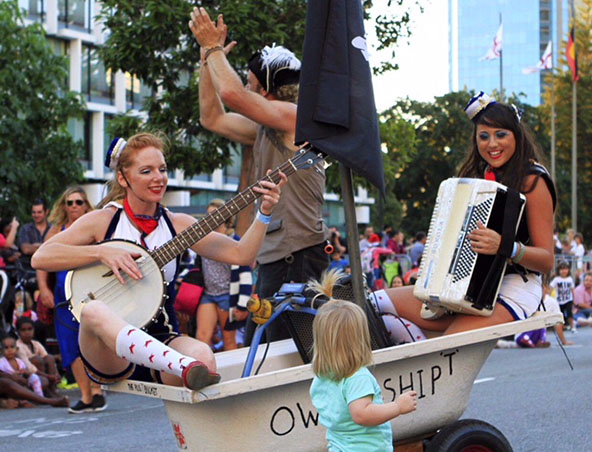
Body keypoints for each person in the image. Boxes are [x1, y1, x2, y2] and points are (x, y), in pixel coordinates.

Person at [32, 133, 283, 395]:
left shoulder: (177, 224)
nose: (158, 177)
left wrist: (264, 212)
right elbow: (41, 257)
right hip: (110, 352)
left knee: (205, 358)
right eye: (146, 171)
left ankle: (185, 370)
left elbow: (241, 254)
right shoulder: (104, 220)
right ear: (123, 178)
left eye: (162, 169)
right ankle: (182, 367)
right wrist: (101, 253)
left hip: (162, 337)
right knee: (93, 310)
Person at [189, 8, 329, 343]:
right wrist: (207, 63)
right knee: (267, 354)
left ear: (267, 89)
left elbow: (232, 96)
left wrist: (213, 49)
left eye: (252, 84)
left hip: (297, 258)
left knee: (279, 357)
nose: (246, 89)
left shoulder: (296, 119)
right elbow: (212, 118)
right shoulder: (266, 127)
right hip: (277, 259)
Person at [376, 92, 555, 335]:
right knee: (375, 304)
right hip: (465, 284)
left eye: (500, 134)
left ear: (517, 136)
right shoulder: (474, 178)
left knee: (446, 343)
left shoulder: (533, 180)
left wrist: (506, 247)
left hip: (515, 286)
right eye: (484, 136)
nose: (492, 144)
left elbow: (546, 260)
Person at [309, 289, 417, 451]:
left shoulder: (322, 376)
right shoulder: (357, 377)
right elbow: (361, 414)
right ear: (360, 340)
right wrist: (397, 407)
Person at [35, 186, 107, 413]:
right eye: (70, 202)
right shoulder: (57, 230)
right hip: (63, 295)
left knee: (93, 341)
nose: (74, 206)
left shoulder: (94, 228)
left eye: (78, 202)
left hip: (90, 292)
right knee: (69, 344)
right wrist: (43, 289)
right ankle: (86, 396)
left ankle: (97, 391)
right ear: (64, 206)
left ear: (86, 204)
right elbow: (41, 261)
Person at [196, 199, 252, 351]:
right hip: (208, 294)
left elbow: (245, 274)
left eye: (215, 214)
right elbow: (194, 265)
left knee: (229, 340)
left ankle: (234, 375)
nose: (210, 218)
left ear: (225, 217)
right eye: (208, 215)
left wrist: (242, 304)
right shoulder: (202, 239)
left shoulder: (234, 241)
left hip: (228, 296)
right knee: (202, 337)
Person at [15, 316, 61, 396]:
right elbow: (29, 367)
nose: (27, 332)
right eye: (23, 330)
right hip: (27, 374)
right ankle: (46, 390)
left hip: (41, 373)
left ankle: (52, 388)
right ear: (18, 332)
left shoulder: (35, 344)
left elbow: (46, 356)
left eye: (30, 329)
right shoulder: (18, 346)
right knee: (37, 360)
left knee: (49, 358)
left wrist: (56, 374)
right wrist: (48, 376)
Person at [17, 198, 51, 272]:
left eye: (39, 212)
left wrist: (36, 246)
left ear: (46, 212)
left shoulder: (53, 229)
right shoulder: (25, 229)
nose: (36, 215)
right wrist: (47, 247)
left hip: (50, 270)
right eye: (34, 212)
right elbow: (26, 249)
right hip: (28, 270)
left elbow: (57, 249)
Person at [550, 261, 576, 333]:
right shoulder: (556, 279)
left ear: (568, 270)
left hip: (568, 299)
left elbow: (572, 290)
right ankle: (563, 326)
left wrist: (574, 299)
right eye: (562, 269)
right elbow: (551, 288)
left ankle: (572, 326)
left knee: (569, 312)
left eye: (565, 269)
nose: (564, 271)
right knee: (561, 314)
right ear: (558, 270)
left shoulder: (570, 279)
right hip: (559, 300)